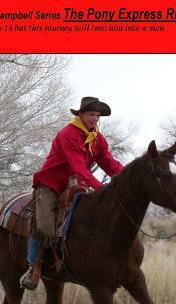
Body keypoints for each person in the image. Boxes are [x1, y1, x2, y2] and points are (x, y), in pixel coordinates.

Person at [20, 96, 124, 290]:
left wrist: (127, 176)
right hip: (51, 183)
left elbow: (109, 162)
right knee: (45, 225)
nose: (95, 119)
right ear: (81, 114)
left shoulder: (97, 138)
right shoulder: (69, 133)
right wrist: (102, 189)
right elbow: (79, 168)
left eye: (98, 115)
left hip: (73, 183)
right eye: (92, 114)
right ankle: (34, 265)